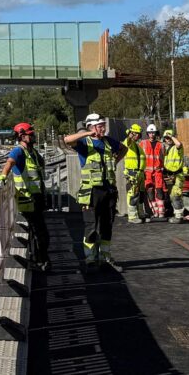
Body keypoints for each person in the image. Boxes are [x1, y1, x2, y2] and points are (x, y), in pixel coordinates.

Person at [64, 113, 125, 272]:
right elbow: (67, 140)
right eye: (99, 125)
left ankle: (105, 257)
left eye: (103, 125)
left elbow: (123, 148)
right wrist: (87, 133)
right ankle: (90, 258)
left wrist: (116, 160)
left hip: (109, 190)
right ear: (91, 126)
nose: (103, 128)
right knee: (91, 226)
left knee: (107, 226)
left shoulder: (108, 141)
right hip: (91, 192)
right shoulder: (85, 142)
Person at [0, 122, 50, 271]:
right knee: (40, 233)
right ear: (21, 135)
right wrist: (2, 176)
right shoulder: (18, 151)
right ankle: (39, 261)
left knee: (39, 232)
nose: (33, 136)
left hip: (36, 199)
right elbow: (9, 163)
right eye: (30, 134)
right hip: (28, 200)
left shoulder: (31, 152)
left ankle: (40, 260)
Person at [140, 124, 166, 220]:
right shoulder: (143, 143)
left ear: (155, 133)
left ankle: (161, 212)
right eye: (150, 133)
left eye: (153, 132)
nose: (152, 134)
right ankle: (155, 212)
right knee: (150, 191)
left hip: (158, 171)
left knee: (159, 191)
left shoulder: (161, 145)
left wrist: (163, 168)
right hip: (147, 172)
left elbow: (164, 158)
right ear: (147, 133)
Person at [122, 123, 144, 224]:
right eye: (136, 134)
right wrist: (130, 136)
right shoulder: (128, 142)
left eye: (139, 134)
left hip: (139, 173)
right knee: (132, 194)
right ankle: (132, 216)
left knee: (139, 195)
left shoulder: (137, 145)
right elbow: (128, 140)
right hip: (132, 172)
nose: (138, 136)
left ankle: (140, 214)